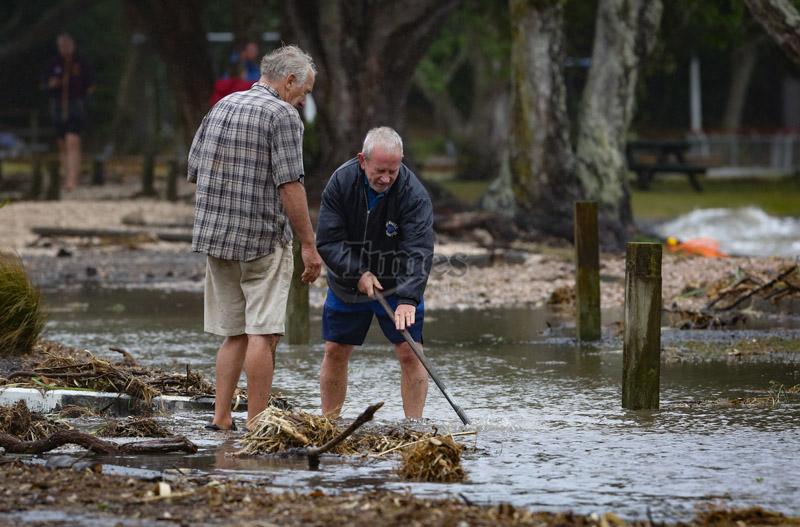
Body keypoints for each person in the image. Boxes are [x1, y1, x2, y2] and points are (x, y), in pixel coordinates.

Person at [188, 45, 322, 431]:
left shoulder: (223, 105)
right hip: (262, 238)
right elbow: (291, 185)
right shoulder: (283, 115)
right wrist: (308, 245)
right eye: (305, 91)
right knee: (263, 333)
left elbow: (195, 169)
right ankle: (257, 421)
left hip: (216, 237)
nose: (302, 100)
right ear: (290, 80)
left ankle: (221, 417)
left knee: (233, 335)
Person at [316, 127, 435, 419]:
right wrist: (358, 273)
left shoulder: (413, 194)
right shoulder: (341, 182)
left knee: (410, 351)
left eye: (393, 171)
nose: (386, 178)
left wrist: (408, 297)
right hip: (349, 283)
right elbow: (329, 241)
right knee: (336, 349)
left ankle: (414, 427)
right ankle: (329, 422)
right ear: (362, 160)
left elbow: (419, 249)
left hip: (397, 285)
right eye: (380, 170)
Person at [44, 32, 95, 192]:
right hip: (58, 105)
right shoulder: (53, 64)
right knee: (62, 144)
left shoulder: (81, 63)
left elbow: (90, 85)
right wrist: (52, 85)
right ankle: (67, 176)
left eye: (67, 45)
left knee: (73, 140)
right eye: (62, 46)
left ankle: (72, 179)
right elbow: (45, 85)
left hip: (75, 106)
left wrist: (85, 101)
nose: (64, 48)